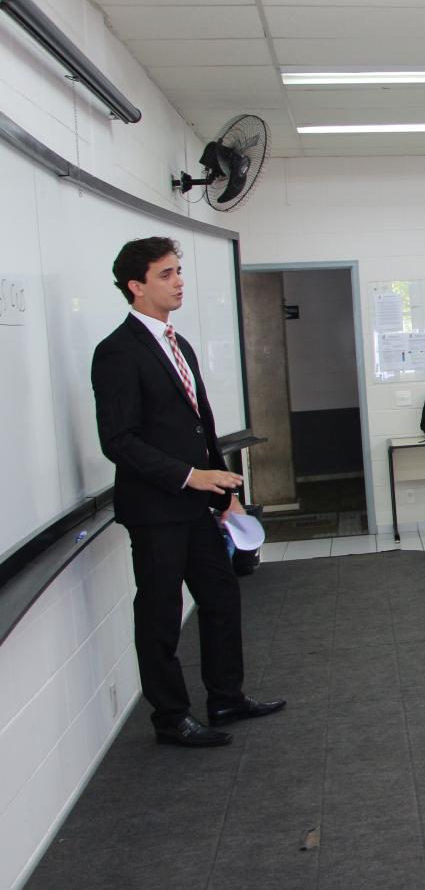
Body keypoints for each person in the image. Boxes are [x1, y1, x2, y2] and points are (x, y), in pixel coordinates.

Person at [91, 237, 284, 747]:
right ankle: (171, 718)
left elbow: (203, 427)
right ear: (136, 286)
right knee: (159, 615)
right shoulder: (116, 352)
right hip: (155, 509)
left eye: (179, 271)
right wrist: (189, 477)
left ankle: (226, 697)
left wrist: (225, 495)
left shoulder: (179, 344)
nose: (179, 282)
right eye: (166, 274)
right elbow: (119, 441)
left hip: (198, 504)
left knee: (221, 599)